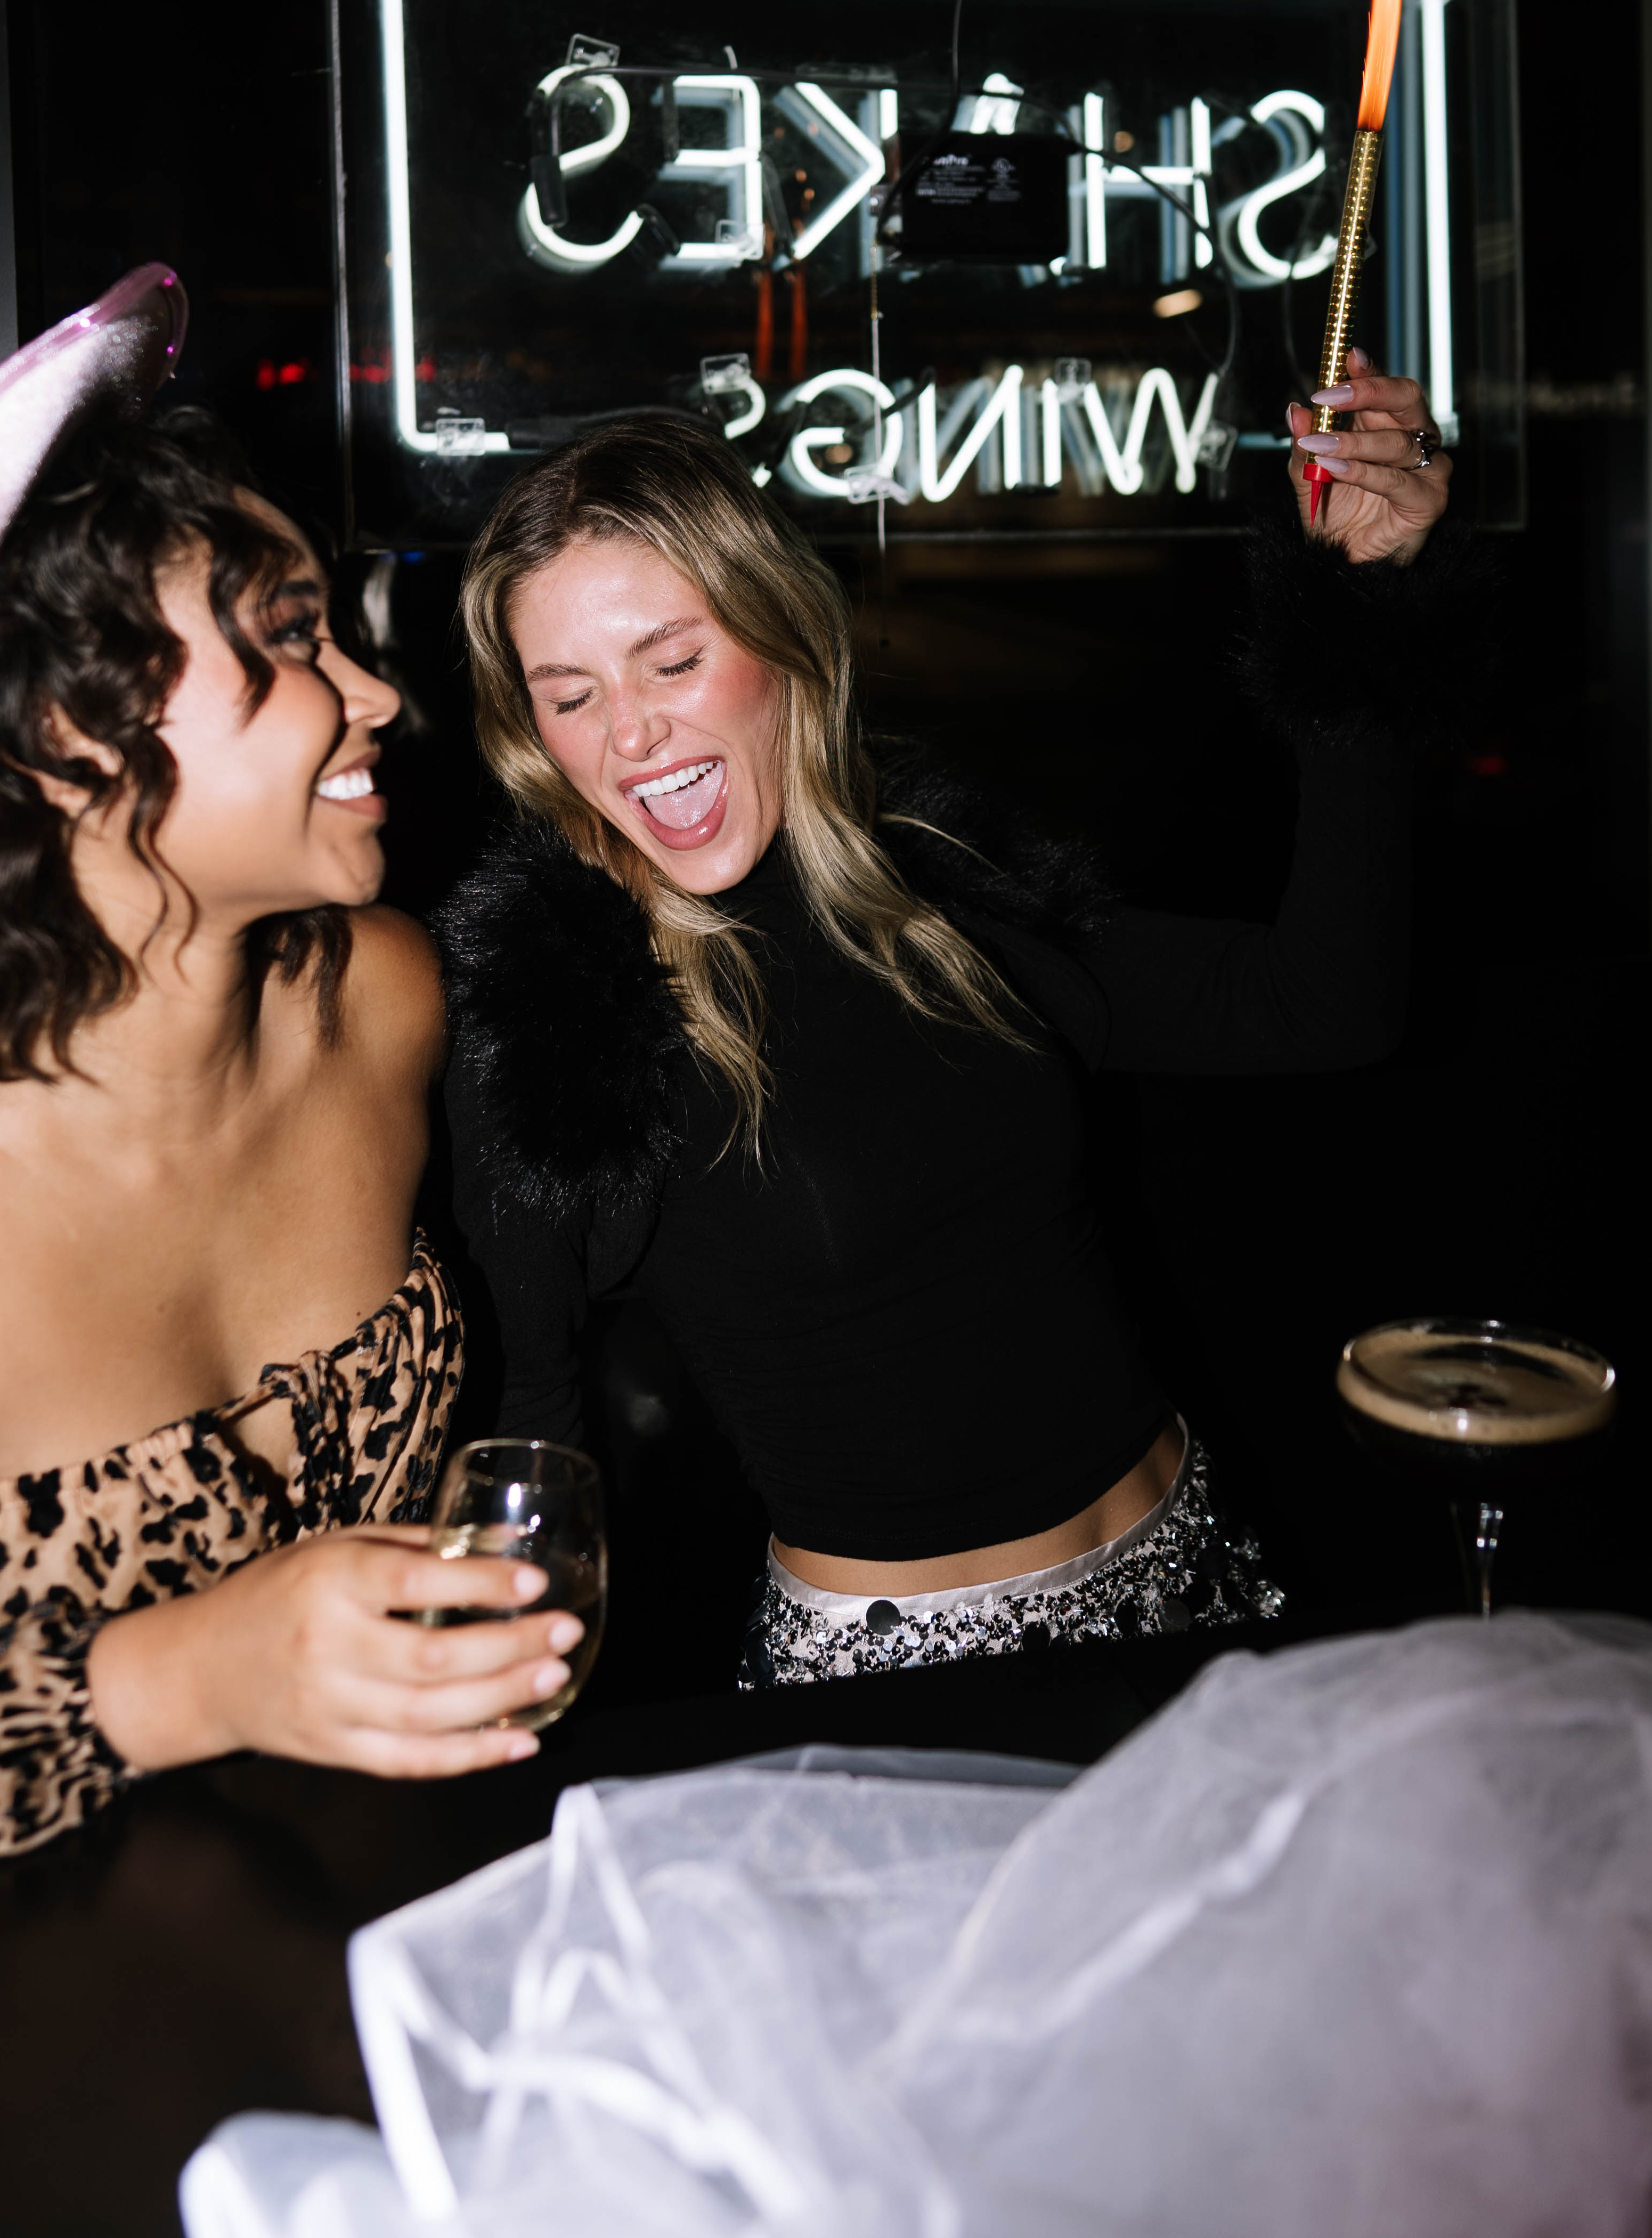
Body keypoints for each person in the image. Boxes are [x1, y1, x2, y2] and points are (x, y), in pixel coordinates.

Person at [442, 354, 1478, 1687]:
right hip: (898, 1681)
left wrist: (1360, 604)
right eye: (570, 694)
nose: (632, 735)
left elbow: (1325, 1008)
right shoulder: (567, 1024)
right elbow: (522, 1424)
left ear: (780, 638)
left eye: (673, 660)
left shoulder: (942, 877)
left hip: (1205, 1582)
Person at [0, 272, 576, 1855]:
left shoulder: (377, 1006)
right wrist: (177, 1681)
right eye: (291, 639)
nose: (378, 696)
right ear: (60, 736)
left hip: (372, 1917)